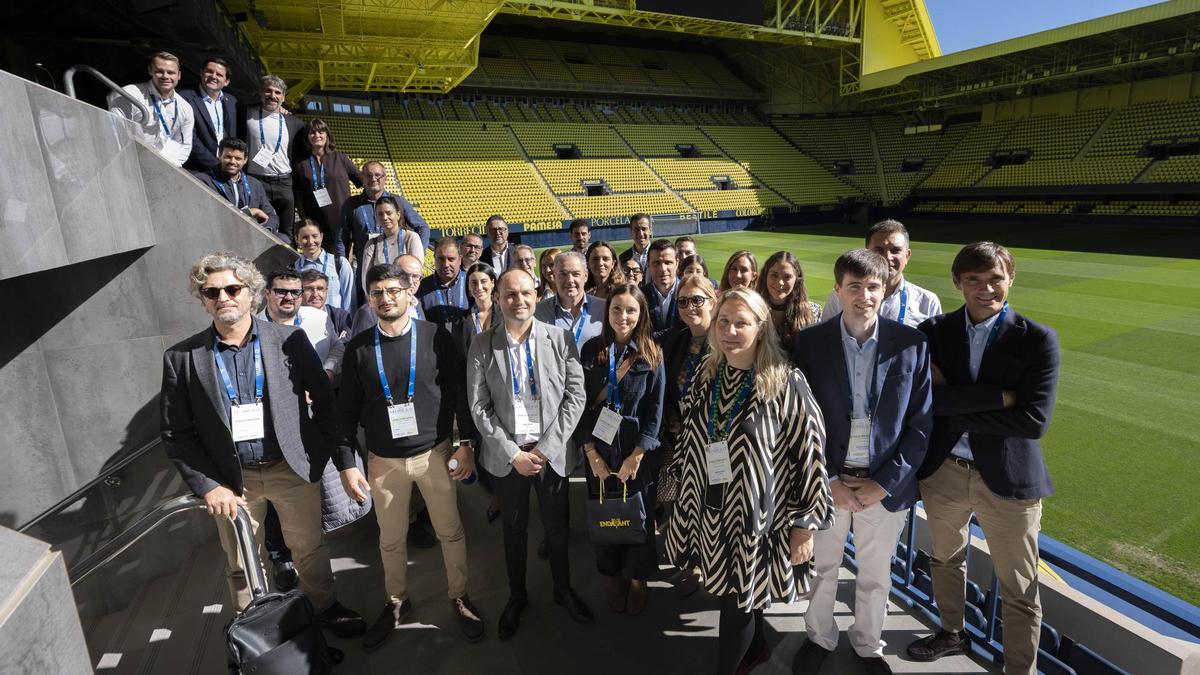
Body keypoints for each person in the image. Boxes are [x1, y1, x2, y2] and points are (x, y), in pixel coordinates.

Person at [159, 252, 365, 636]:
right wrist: (209, 485)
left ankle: (324, 608)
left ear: (251, 292)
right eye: (212, 291)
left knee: (309, 550)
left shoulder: (289, 339)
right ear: (202, 298)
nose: (223, 297)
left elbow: (324, 402)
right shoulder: (182, 359)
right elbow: (176, 433)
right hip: (231, 481)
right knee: (239, 561)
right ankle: (254, 625)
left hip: (290, 468)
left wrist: (317, 456)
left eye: (232, 288)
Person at [906, 243, 1059, 675]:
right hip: (945, 473)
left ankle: (1018, 669)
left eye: (995, 278)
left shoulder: (1037, 339)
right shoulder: (935, 331)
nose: (985, 288)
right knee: (944, 560)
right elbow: (925, 402)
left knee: (1019, 588)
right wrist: (997, 398)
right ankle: (952, 633)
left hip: (1009, 482)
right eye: (973, 279)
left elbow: (1032, 421)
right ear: (958, 283)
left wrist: (953, 400)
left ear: (1011, 279)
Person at [664, 288, 832, 675]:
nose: (730, 330)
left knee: (736, 599)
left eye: (741, 322)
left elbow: (810, 455)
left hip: (758, 517)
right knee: (742, 594)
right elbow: (694, 440)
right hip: (712, 506)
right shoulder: (710, 372)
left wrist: (805, 525)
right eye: (723, 321)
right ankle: (755, 649)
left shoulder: (785, 381)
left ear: (761, 327)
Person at [791, 249, 932, 675]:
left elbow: (922, 424)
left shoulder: (912, 344)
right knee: (824, 568)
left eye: (873, 287)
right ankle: (819, 637)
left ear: (884, 290)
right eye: (854, 286)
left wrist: (884, 483)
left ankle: (869, 646)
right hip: (827, 482)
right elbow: (799, 418)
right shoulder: (811, 343)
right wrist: (828, 479)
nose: (864, 296)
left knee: (876, 575)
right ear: (838, 290)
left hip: (883, 486)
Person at [336, 263, 484, 649]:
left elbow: (460, 395)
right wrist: (348, 466)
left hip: (434, 454)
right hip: (383, 462)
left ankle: (459, 596)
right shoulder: (359, 347)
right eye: (377, 293)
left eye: (393, 291)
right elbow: (346, 413)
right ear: (369, 299)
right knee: (390, 539)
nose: (386, 299)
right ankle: (396, 600)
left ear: (408, 294)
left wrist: (465, 443)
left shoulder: (436, 337)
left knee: (449, 531)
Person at [466, 268, 593, 640]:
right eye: (510, 295)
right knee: (514, 530)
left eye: (525, 293)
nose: (518, 301)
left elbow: (576, 396)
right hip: (508, 459)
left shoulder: (560, 338)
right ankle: (517, 597)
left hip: (550, 456)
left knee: (556, 530)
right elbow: (478, 406)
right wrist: (511, 453)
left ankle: (562, 590)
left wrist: (546, 448)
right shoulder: (482, 345)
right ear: (498, 299)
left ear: (537, 295)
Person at [575, 284, 665, 616]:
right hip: (597, 451)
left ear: (640, 315)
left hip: (636, 454)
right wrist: (591, 454)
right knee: (606, 517)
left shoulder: (653, 354)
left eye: (630, 310)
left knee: (638, 520)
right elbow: (579, 407)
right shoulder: (590, 351)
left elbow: (655, 413)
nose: (623, 316)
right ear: (607, 311)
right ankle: (612, 575)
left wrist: (637, 456)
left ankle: (638, 579)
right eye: (616, 309)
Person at [656, 275, 718, 597]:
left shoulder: (725, 340)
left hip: (712, 443)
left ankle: (702, 564)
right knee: (680, 501)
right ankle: (689, 558)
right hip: (677, 438)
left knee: (709, 505)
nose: (690, 307)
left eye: (697, 299)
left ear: (712, 299)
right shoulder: (675, 340)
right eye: (683, 301)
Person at [453, 262, 503, 523]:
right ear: (468, 288)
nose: (479, 287)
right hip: (477, 396)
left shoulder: (506, 314)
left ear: (493, 283)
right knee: (484, 447)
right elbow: (460, 364)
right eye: (474, 283)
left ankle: (509, 492)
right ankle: (494, 494)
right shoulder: (462, 324)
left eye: (484, 281)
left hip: (505, 393)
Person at [823, 219, 941, 329]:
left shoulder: (927, 302)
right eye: (879, 250)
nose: (887, 257)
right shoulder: (838, 297)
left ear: (907, 255)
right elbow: (825, 338)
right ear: (866, 252)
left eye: (895, 250)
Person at [241, 75, 306, 244]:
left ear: (283, 97)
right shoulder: (247, 113)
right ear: (260, 93)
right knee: (257, 225)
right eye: (268, 90)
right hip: (256, 181)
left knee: (287, 230)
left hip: (284, 183)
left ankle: (288, 268)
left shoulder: (294, 122)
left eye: (278, 92)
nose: (273, 95)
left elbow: (300, 153)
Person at [109, 51, 194, 167]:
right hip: (126, 162)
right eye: (160, 71)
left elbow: (184, 145)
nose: (165, 76)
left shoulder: (185, 108)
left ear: (178, 75)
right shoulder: (129, 94)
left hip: (161, 167)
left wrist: (166, 166)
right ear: (150, 71)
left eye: (171, 72)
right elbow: (116, 134)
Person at [294, 119, 364, 254]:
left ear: (327, 135)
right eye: (312, 132)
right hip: (316, 222)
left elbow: (361, 181)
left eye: (321, 131)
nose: (317, 135)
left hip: (342, 219)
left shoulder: (341, 159)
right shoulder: (300, 164)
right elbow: (298, 195)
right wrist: (304, 217)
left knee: (342, 260)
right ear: (307, 137)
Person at [340, 160, 429, 263]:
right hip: (365, 268)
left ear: (385, 179)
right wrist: (343, 263)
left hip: (395, 269)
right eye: (369, 175)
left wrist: (417, 255)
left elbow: (422, 227)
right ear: (363, 179)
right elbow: (341, 238)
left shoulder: (398, 201)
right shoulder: (351, 205)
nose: (373, 179)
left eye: (378, 175)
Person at [192, 138, 280, 237]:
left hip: (251, 236)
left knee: (284, 240)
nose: (232, 162)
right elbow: (207, 217)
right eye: (228, 157)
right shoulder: (204, 181)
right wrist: (249, 212)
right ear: (219, 156)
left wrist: (265, 230)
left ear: (245, 160)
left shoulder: (254, 184)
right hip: (219, 235)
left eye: (238, 158)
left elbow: (272, 216)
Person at [535, 251, 605, 353]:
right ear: (554, 276)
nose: (569, 280)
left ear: (585, 276)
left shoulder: (604, 308)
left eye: (576, 274)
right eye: (563, 274)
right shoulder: (538, 312)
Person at [180, 57, 237, 173]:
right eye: (209, 71)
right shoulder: (185, 97)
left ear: (226, 81)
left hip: (225, 167)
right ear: (201, 73)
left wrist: (280, 108)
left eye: (219, 75)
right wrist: (214, 164)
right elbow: (189, 136)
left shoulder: (232, 101)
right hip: (195, 169)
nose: (213, 76)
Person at [348, 254, 426, 338]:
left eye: (415, 276)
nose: (410, 281)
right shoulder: (367, 313)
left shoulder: (417, 304)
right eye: (405, 276)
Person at [758, 251, 821, 354]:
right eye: (774, 275)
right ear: (765, 276)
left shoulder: (814, 312)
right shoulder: (751, 311)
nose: (780, 283)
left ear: (796, 280)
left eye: (787, 277)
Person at [360, 196, 423, 292]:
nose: (385, 217)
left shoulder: (411, 238)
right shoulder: (372, 244)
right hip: (382, 298)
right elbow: (366, 280)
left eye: (389, 213)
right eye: (380, 214)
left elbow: (416, 274)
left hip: (406, 296)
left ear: (398, 214)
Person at [294, 219, 354, 310]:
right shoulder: (294, 269)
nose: (311, 241)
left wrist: (347, 323)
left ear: (321, 237)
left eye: (315, 236)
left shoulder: (339, 263)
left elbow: (350, 300)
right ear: (297, 239)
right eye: (305, 237)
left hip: (335, 322)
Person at [415, 237, 470, 324]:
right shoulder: (421, 287)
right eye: (441, 259)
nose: (446, 264)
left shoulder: (471, 283)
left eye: (451, 259)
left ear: (459, 259)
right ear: (434, 258)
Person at [641, 239, 680, 337]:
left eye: (668, 262)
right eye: (656, 263)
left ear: (677, 263)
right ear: (648, 265)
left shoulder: (689, 293)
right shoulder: (640, 296)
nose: (662, 269)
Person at [300, 268, 351, 338]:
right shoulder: (292, 318)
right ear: (300, 292)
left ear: (326, 291)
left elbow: (347, 342)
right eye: (309, 289)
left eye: (320, 289)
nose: (315, 294)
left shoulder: (341, 316)